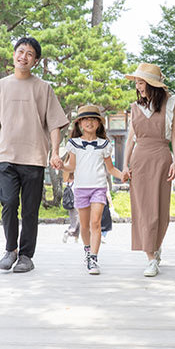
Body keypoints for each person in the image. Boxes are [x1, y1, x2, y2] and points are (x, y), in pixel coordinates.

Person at [0, 37, 69, 273]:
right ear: (14, 55)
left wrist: (55, 152)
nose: (24, 56)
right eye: (20, 51)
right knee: (8, 203)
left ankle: (26, 255)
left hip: (34, 156)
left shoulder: (43, 88)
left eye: (30, 54)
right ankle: (11, 250)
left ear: (36, 61)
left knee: (30, 208)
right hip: (6, 155)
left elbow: (54, 124)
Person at [122, 63, 175, 277]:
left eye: (141, 82)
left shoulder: (172, 102)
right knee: (143, 210)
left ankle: (156, 245)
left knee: (161, 210)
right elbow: (130, 139)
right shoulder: (134, 107)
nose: (138, 86)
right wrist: (124, 166)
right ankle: (150, 257)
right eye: (136, 83)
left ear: (152, 85)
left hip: (162, 157)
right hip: (140, 159)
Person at [61, 104, 122, 275]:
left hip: (98, 188)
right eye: (85, 119)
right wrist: (61, 166)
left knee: (96, 223)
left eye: (93, 119)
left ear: (99, 123)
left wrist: (123, 175)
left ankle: (93, 258)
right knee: (85, 226)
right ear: (80, 124)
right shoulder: (74, 143)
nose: (89, 122)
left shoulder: (104, 145)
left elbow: (111, 169)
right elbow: (70, 166)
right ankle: (87, 250)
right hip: (80, 189)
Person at [62, 170, 80, 243]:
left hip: (70, 204)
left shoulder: (68, 183)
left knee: (77, 221)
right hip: (76, 203)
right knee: (76, 221)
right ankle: (68, 233)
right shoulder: (76, 183)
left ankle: (76, 237)